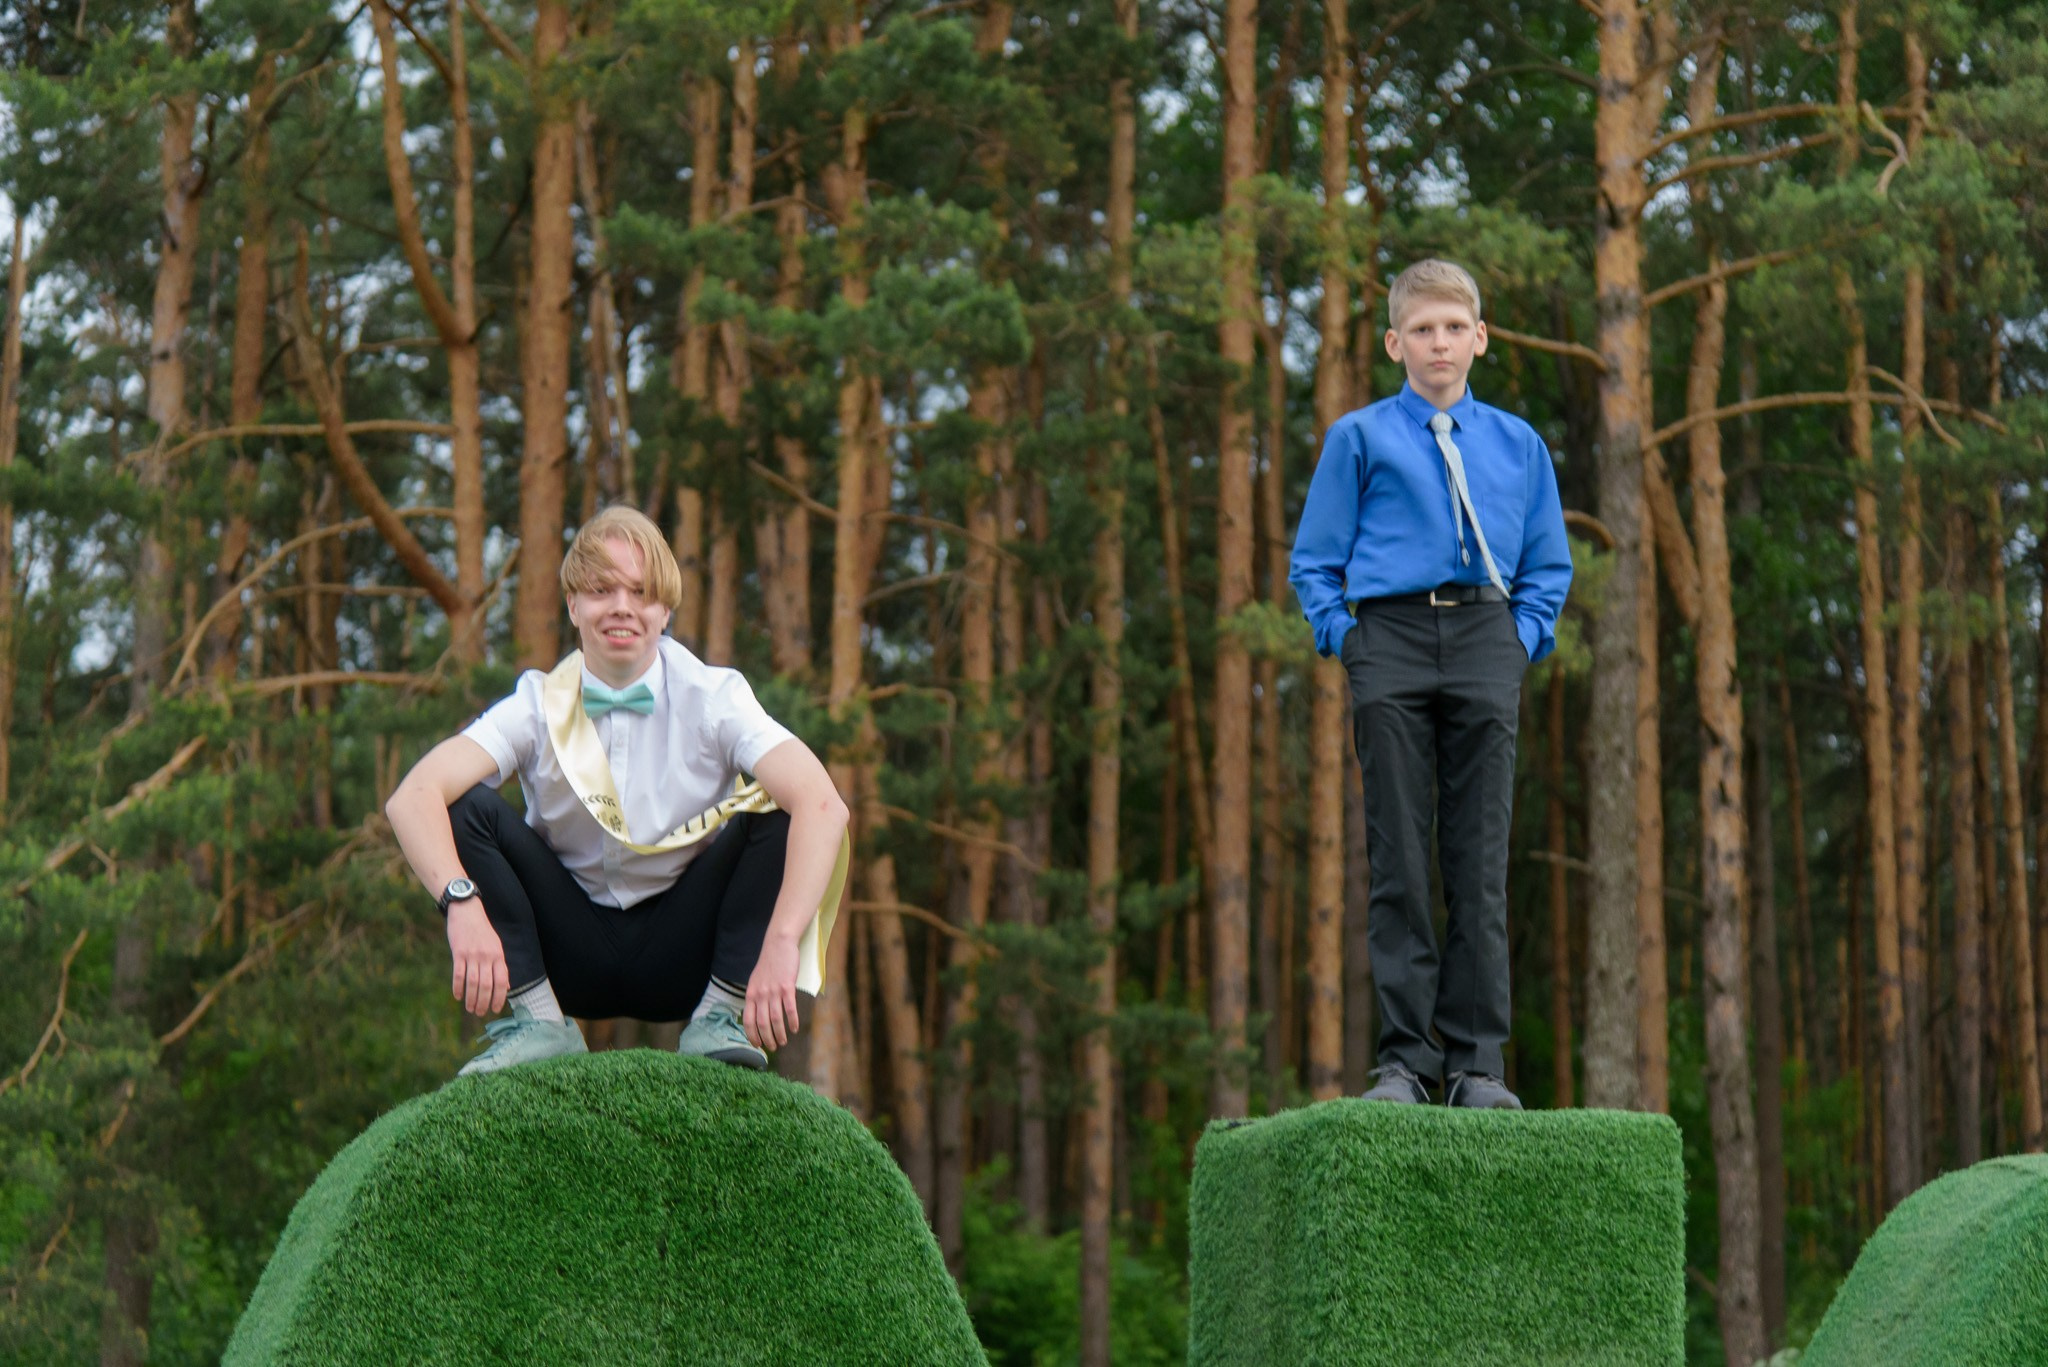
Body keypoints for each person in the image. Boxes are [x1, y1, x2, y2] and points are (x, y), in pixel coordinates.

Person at [386, 505, 850, 1078]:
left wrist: (781, 941)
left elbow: (825, 805)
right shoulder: (538, 703)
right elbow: (412, 797)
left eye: (641, 591)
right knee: (462, 804)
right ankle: (538, 1025)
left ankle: (717, 1020)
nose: (622, 606)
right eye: (602, 589)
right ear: (573, 605)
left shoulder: (715, 697)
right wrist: (460, 902)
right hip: (561, 957)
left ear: (665, 609)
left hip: (691, 957)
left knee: (780, 806)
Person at [1289, 259, 1572, 1110]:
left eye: (1454, 326)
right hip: (1393, 642)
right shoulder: (1360, 438)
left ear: (1479, 337)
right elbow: (1315, 561)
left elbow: (1547, 563)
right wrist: (1351, 640)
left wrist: (1519, 640)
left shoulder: (1520, 445)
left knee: (1479, 861)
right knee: (1401, 860)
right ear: (1394, 344)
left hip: (1488, 635)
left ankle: (1477, 1065)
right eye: (1422, 329)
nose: (1438, 342)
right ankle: (1406, 1064)